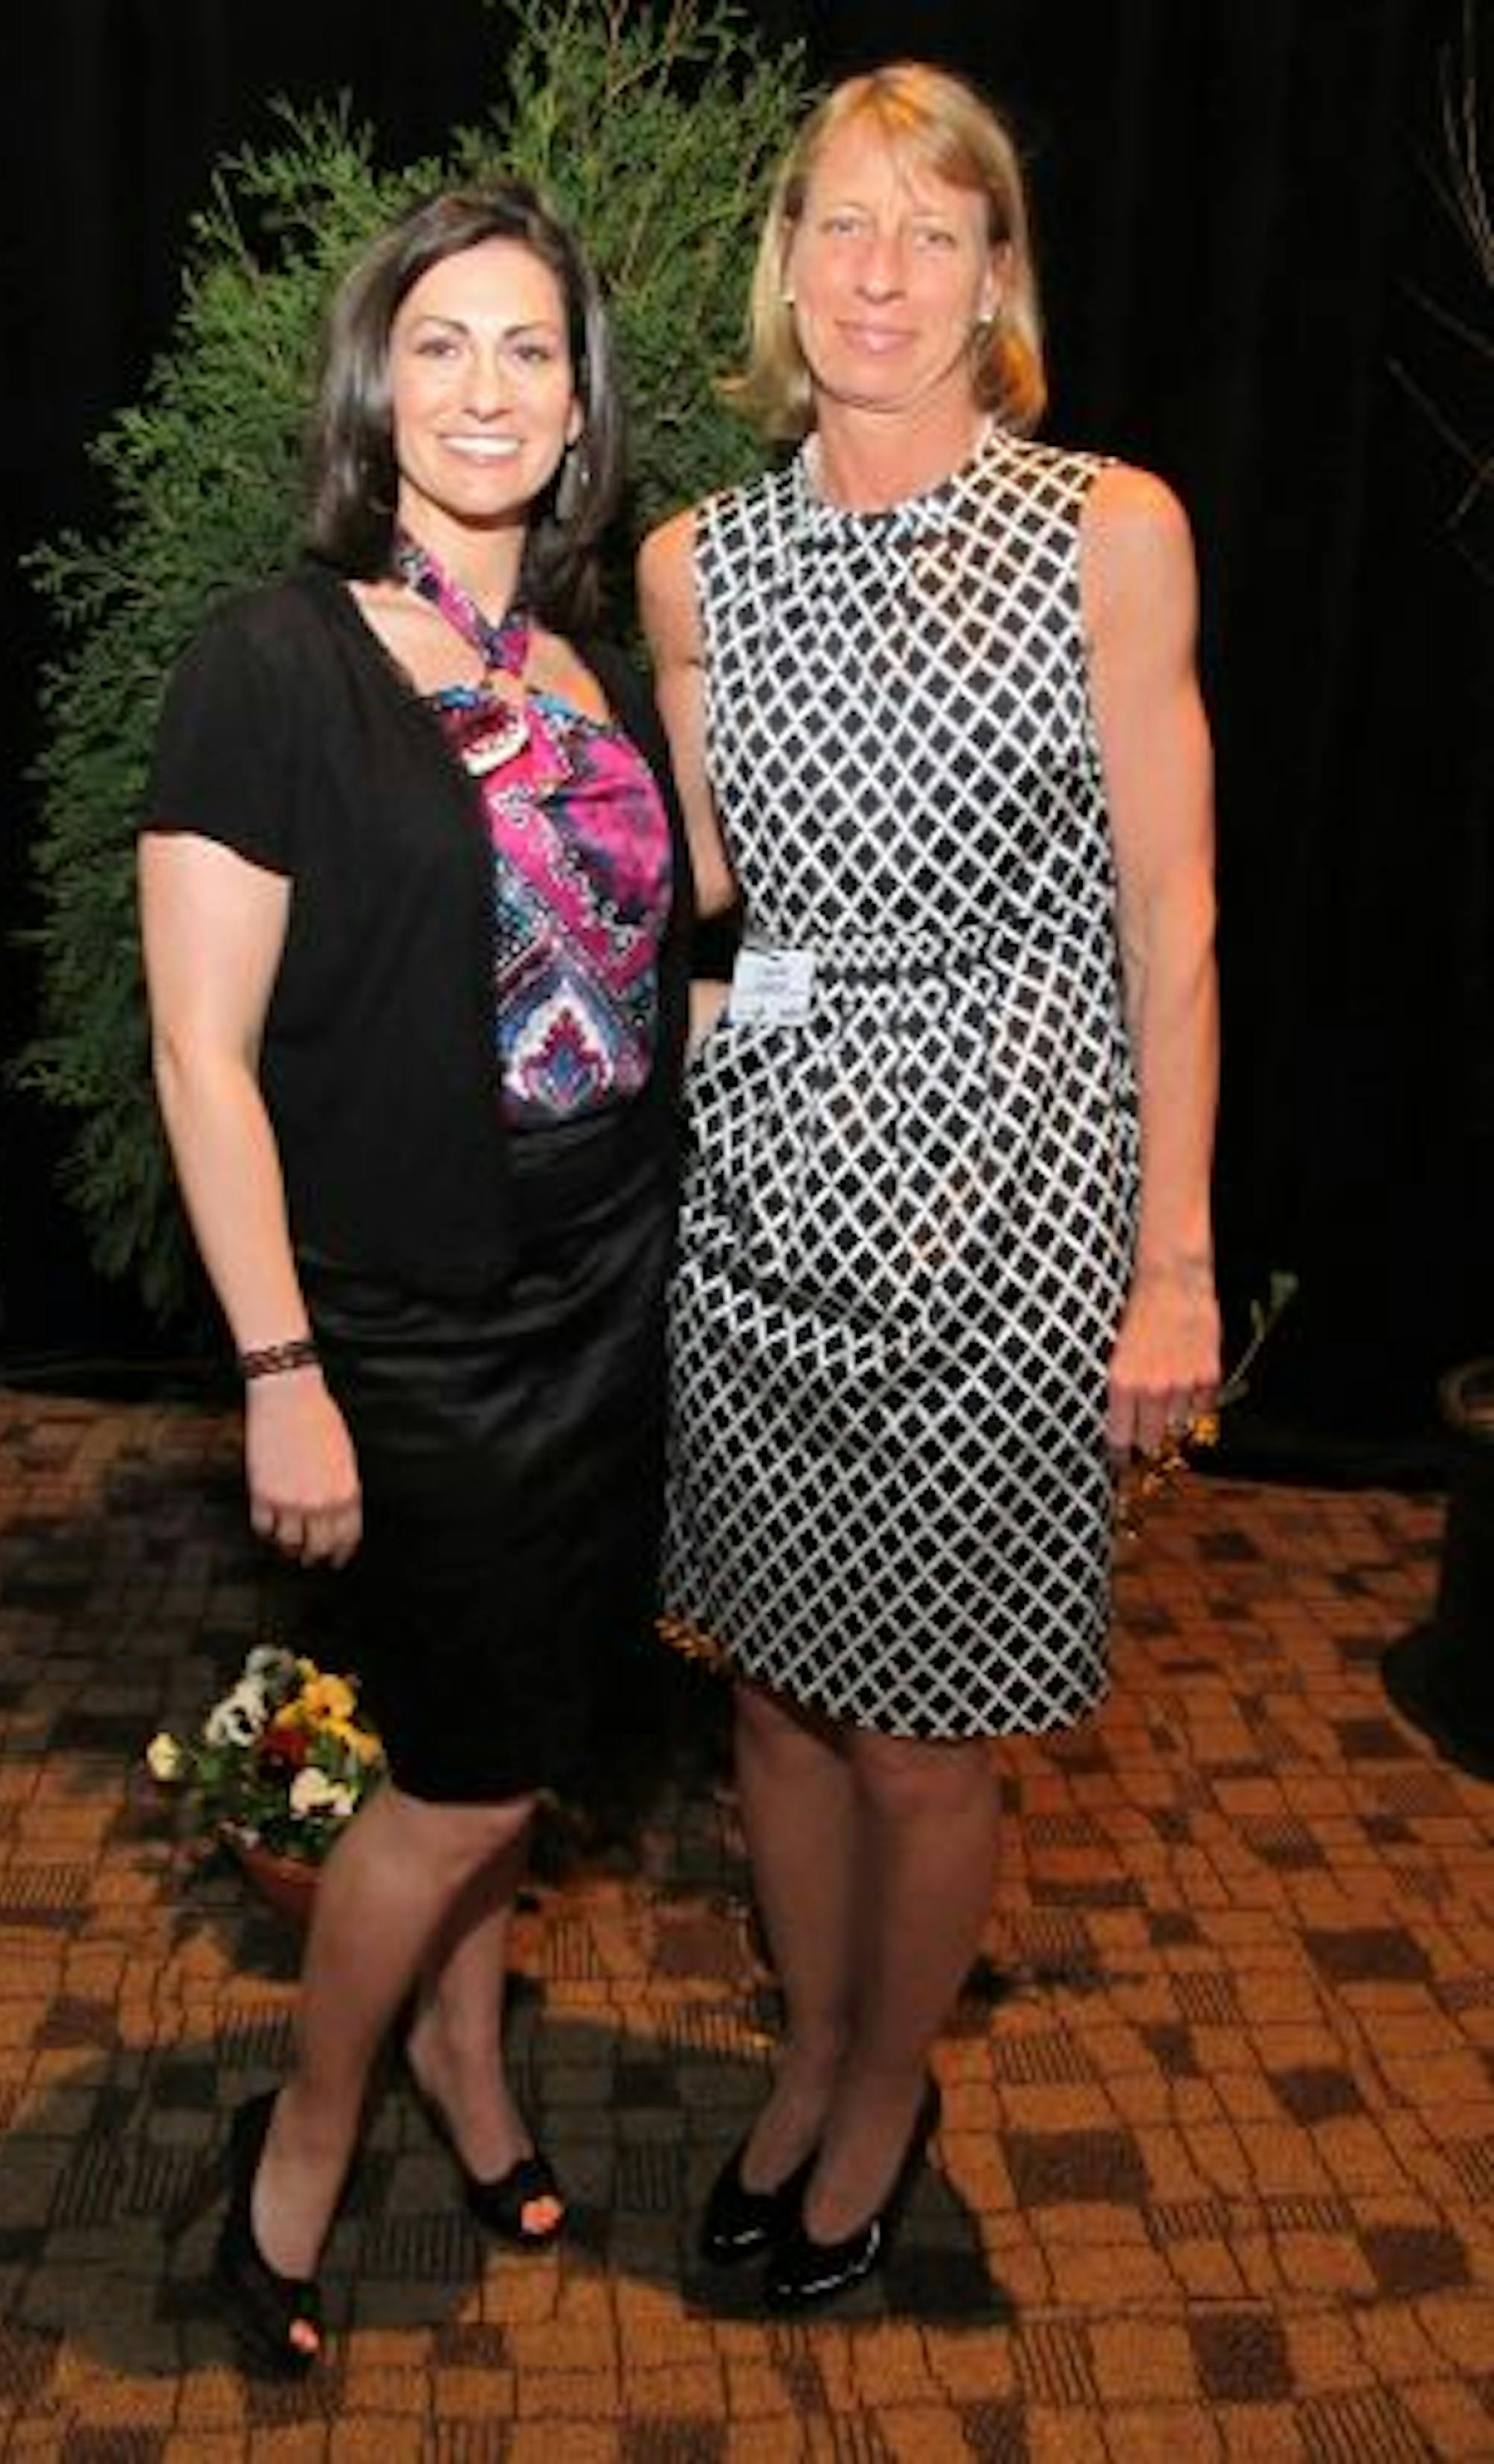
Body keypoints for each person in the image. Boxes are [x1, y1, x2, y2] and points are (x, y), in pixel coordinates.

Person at [640, 60, 1219, 2312]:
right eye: (841, 226)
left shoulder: (1110, 527)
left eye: (932, 230)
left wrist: (1173, 1260)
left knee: (924, 1717)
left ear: (1000, 279)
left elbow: (1172, 918)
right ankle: (812, 2046)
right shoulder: (698, 564)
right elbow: (706, 904)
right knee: (774, 1687)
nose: (880, 272)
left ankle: (891, 2085)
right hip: (768, 1196)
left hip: (1017, 1198)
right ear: (787, 266)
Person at [142, 180, 690, 2373]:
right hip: (409, 1314)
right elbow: (200, 1050)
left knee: (527, 1734)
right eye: (443, 345)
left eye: (531, 351)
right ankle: (307, 2134)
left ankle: (469, 2066)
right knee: (458, 1768)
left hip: (612, 1281)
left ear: (578, 409)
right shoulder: (270, 664)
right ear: (377, 391)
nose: (489, 389)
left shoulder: (592, 666)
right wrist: (280, 1361)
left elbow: (677, 965)